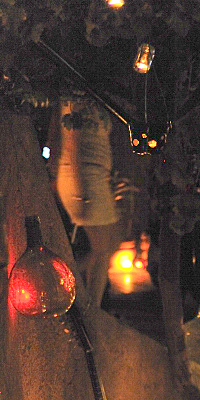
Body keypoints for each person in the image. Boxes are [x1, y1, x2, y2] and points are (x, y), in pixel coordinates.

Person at [47, 93, 120, 307]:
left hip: (91, 177)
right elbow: (71, 142)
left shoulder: (87, 97)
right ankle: (82, 302)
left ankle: (64, 286)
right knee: (102, 250)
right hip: (84, 178)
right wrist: (79, 185)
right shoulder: (76, 98)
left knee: (107, 246)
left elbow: (54, 137)